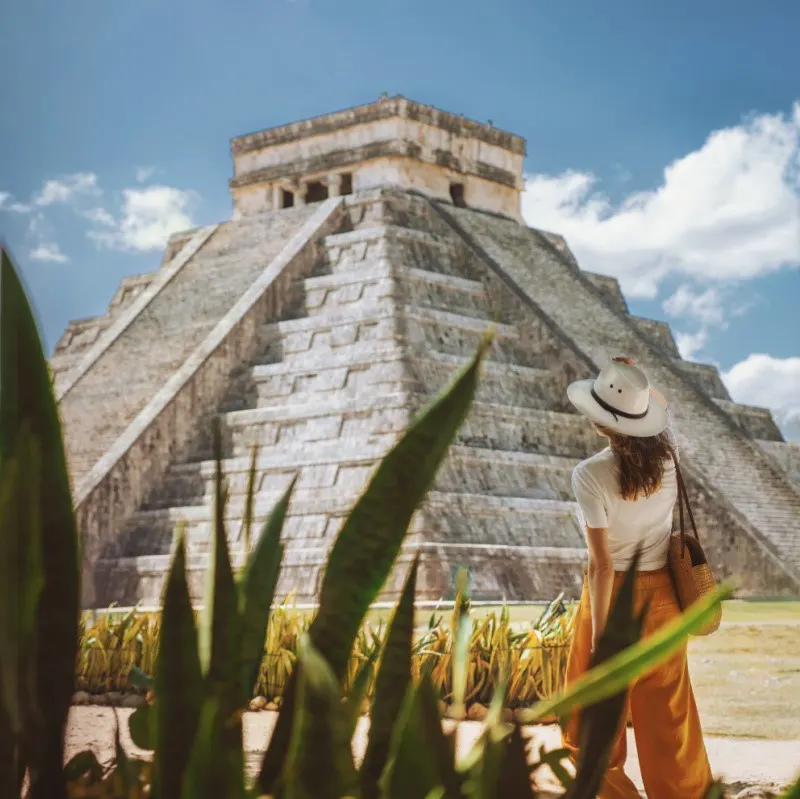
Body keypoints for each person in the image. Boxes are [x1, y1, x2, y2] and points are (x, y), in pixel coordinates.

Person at [561, 356, 713, 799]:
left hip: (611, 603)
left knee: (591, 725)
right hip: (663, 598)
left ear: (600, 420)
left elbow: (603, 566)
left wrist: (599, 641)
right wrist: (636, 378)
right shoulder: (670, 458)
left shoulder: (589, 475)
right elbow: (660, 409)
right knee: (671, 722)